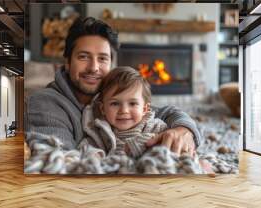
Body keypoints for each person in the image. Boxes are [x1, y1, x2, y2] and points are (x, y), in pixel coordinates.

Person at [25, 17, 202, 156]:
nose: (94, 68)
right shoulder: (45, 102)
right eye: (84, 57)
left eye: (102, 58)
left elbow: (167, 112)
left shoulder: (107, 94)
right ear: (67, 63)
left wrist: (184, 130)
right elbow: (57, 161)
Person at [78, 66, 168, 159]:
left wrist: (140, 144)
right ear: (103, 109)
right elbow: (86, 146)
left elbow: (169, 147)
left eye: (132, 103)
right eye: (115, 103)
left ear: (144, 109)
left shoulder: (156, 127)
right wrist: (95, 154)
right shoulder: (101, 132)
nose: (124, 111)